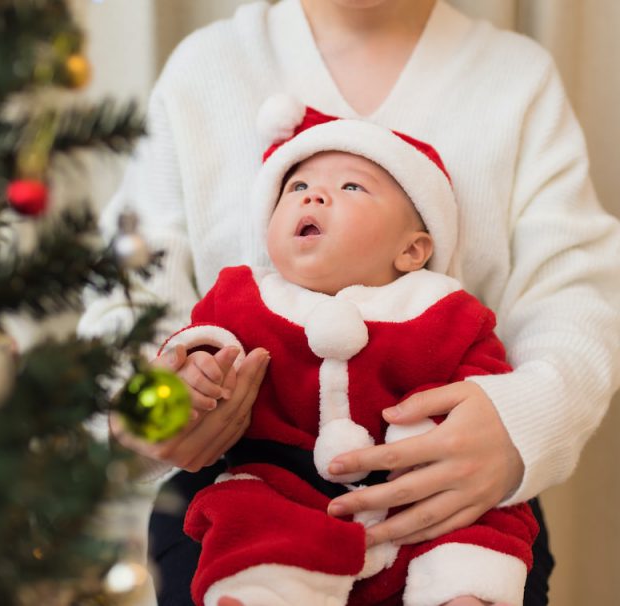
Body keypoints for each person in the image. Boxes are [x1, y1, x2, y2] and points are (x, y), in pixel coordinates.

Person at [78, 1, 620, 604]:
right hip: (237, 492)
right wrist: (148, 408)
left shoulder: (514, 79)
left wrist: (525, 422)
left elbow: (575, 286)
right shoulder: (207, 69)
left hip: (458, 487)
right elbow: (130, 281)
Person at [158, 100, 538, 606]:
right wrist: (198, 370)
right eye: (296, 188)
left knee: (487, 515)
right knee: (244, 512)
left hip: (419, 482)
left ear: (412, 251)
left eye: (351, 186)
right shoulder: (244, 295)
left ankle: (462, 591)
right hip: (283, 483)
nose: (313, 195)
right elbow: (202, 338)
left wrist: (451, 426)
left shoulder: (446, 309)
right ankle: (262, 593)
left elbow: (485, 389)